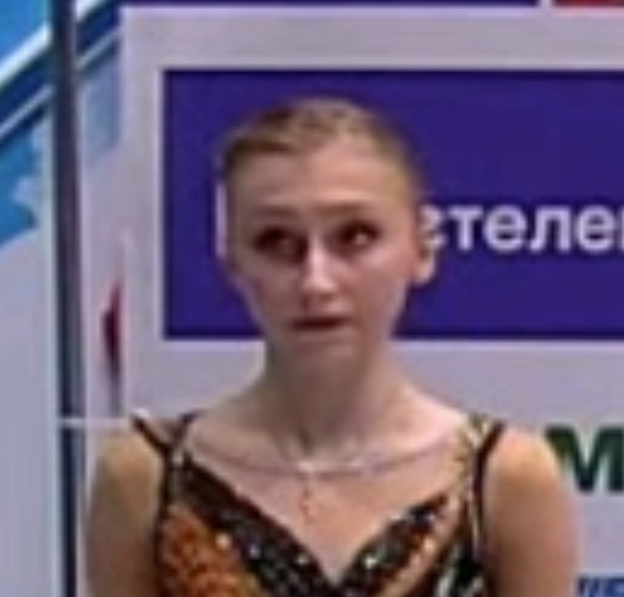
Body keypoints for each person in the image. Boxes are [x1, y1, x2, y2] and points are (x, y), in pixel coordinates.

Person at [86, 96, 577, 597]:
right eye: (276, 241)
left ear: (423, 249)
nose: (316, 282)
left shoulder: (505, 480)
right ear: (232, 261)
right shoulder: (143, 479)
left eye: (355, 237)